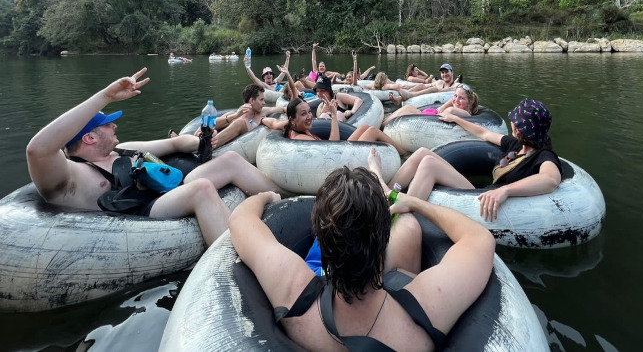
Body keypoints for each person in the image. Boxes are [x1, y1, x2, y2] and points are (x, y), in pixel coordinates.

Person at [228, 162, 495, 351]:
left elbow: (240, 218)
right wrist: (415, 204)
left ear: (321, 243)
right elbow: (480, 238)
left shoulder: (293, 293)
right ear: (383, 240)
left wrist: (265, 195)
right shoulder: (426, 311)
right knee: (411, 226)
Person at [25, 68, 283, 246]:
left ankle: (286, 201)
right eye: (107, 124)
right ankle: (248, 255)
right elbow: (37, 150)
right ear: (89, 138)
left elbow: (175, 143)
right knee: (201, 189)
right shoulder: (70, 176)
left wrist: (202, 141)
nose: (114, 126)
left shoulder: (122, 149)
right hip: (138, 217)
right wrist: (105, 97)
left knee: (230, 161)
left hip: (163, 192)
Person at [382, 98, 562, 222]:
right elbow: (484, 133)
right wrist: (455, 119)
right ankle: (384, 197)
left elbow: (550, 179)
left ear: (522, 129)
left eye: (515, 121)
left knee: (429, 165)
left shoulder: (543, 155)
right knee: (422, 153)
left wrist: (506, 190)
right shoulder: (515, 145)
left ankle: (402, 218)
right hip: (481, 192)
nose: (511, 122)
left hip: (487, 200)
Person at [268, 97, 407, 155]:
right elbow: (333, 146)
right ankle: (403, 155)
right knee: (373, 131)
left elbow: (274, 123)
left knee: (364, 127)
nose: (310, 116)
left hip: (337, 151)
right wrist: (334, 115)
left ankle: (397, 151)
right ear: (293, 119)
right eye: (304, 114)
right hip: (336, 157)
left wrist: (262, 120)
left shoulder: (291, 126)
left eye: (310, 112)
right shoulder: (300, 139)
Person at [197, 84, 285, 148]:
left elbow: (282, 109)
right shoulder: (234, 116)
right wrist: (234, 116)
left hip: (248, 144)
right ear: (252, 101)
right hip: (221, 144)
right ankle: (205, 146)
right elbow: (203, 127)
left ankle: (205, 145)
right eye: (261, 100)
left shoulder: (262, 111)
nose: (264, 103)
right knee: (239, 122)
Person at [382, 84, 480, 127]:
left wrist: (443, 110)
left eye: (461, 98)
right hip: (428, 115)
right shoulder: (458, 104)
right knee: (407, 108)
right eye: (455, 96)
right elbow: (453, 101)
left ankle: (382, 126)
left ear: (470, 102)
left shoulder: (466, 113)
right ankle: (382, 124)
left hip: (428, 121)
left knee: (407, 110)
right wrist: (442, 107)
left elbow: (451, 111)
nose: (456, 100)